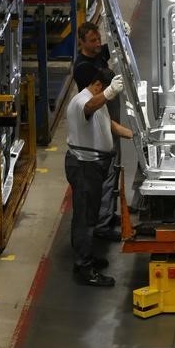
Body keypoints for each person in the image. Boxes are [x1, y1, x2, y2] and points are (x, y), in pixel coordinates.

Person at [64, 64, 133, 287]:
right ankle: (84, 269)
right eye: (105, 91)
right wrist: (110, 92)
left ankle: (84, 257)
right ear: (98, 85)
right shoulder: (81, 101)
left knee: (88, 215)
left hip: (92, 167)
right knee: (85, 219)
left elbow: (107, 122)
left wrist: (132, 134)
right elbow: (92, 106)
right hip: (84, 168)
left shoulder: (95, 101)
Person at [73, 22, 121, 241]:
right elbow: (93, 101)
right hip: (97, 127)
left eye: (98, 39)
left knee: (113, 169)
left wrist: (120, 36)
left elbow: (107, 51)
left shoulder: (97, 53)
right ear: (81, 42)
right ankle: (102, 224)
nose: (97, 44)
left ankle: (108, 215)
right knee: (106, 173)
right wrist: (110, 90)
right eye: (92, 41)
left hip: (108, 119)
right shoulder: (83, 68)